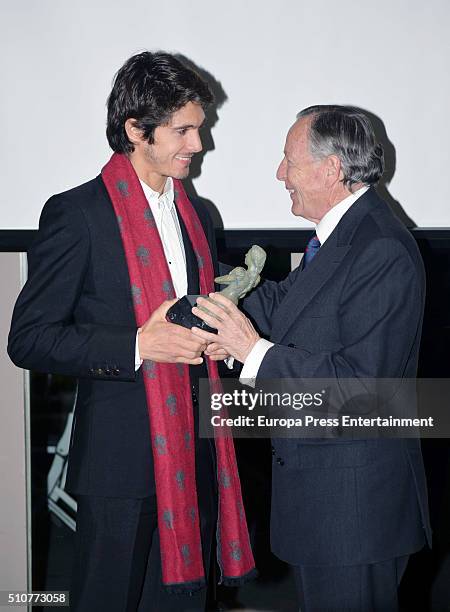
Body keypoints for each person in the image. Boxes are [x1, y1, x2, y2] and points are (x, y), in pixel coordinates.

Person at [8, 51, 254, 611]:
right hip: (118, 470)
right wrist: (137, 344)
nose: (198, 144)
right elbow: (28, 338)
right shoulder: (79, 214)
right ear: (135, 130)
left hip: (195, 453)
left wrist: (215, 335)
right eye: (183, 130)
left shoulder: (200, 214)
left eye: (200, 128)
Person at [191, 105, 431, 611]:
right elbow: (284, 305)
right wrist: (193, 265)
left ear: (331, 170)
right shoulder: (345, 236)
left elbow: (361, 390)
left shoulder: (379, 248)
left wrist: (249, 350)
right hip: (329, 506)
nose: (281, 174)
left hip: (353, 515)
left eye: (288, 161)